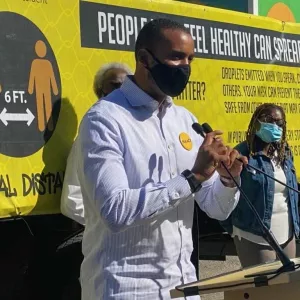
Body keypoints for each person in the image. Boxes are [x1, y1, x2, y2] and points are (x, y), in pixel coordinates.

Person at [76, 18, 246, 300]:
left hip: (183, 286)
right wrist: (191, 178)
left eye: (190, 59)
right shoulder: (105, 119)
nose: (185, 67)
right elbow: (115, 211)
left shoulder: (185, 121)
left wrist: (228, 181)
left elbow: (216, 209)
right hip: (126, 287)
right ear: (144, 58)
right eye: (176, 57)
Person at [221, 103, 299, 268]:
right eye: (269, 120)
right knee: (263, 290)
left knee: (286, 290)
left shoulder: (285, 153)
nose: (275, 126)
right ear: (256, 122)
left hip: (287, 233)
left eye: (279, 123)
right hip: (254, 235)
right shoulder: (241, 154)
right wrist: (234, 228)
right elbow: (225, 194)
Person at [61, 62, 132, 225]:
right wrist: (103, 226)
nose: (120, 91)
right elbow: (72, 201)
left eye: (125, 85)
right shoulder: (91, 136)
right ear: (101, 91)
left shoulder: (141, 131)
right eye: (114, 85)